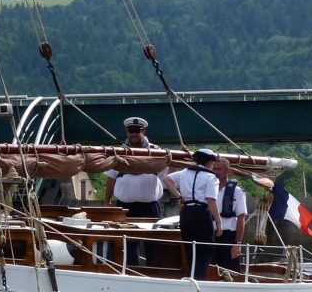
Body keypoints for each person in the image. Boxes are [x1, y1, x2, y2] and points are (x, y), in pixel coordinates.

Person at [103, 116, 164, 265]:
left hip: (150, 206)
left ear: (143, 131)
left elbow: (167, 172)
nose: (134, 134)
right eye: (131, 131)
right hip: (125, 207)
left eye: (137, 131)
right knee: (128, 243)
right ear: (127, 132)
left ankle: (154, 273)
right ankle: (132, 273)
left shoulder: (156, 152)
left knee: (153, 243)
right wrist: (106, 202)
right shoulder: (118, 153)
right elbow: (111, 179)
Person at [165, 148, 224, 279]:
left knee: (190, 247)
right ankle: (196, 278)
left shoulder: (185, 172)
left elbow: (167, 179)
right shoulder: (211, 177)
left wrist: (179, 197)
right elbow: (211, 200)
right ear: (209, 162)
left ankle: (191, 275)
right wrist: (219, 222)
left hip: (186, 212)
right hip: (201, 212)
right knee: (207, 249)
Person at [211, 157, 248, 272]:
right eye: (214, 169)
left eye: (219, 169)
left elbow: (241, 218)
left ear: (228, 171)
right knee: (209, 268)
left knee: (230, 270)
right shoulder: (208, 189)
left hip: (228, 236)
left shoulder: (237, 192)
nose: (216, 172)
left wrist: (237, 243)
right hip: (209, 235)